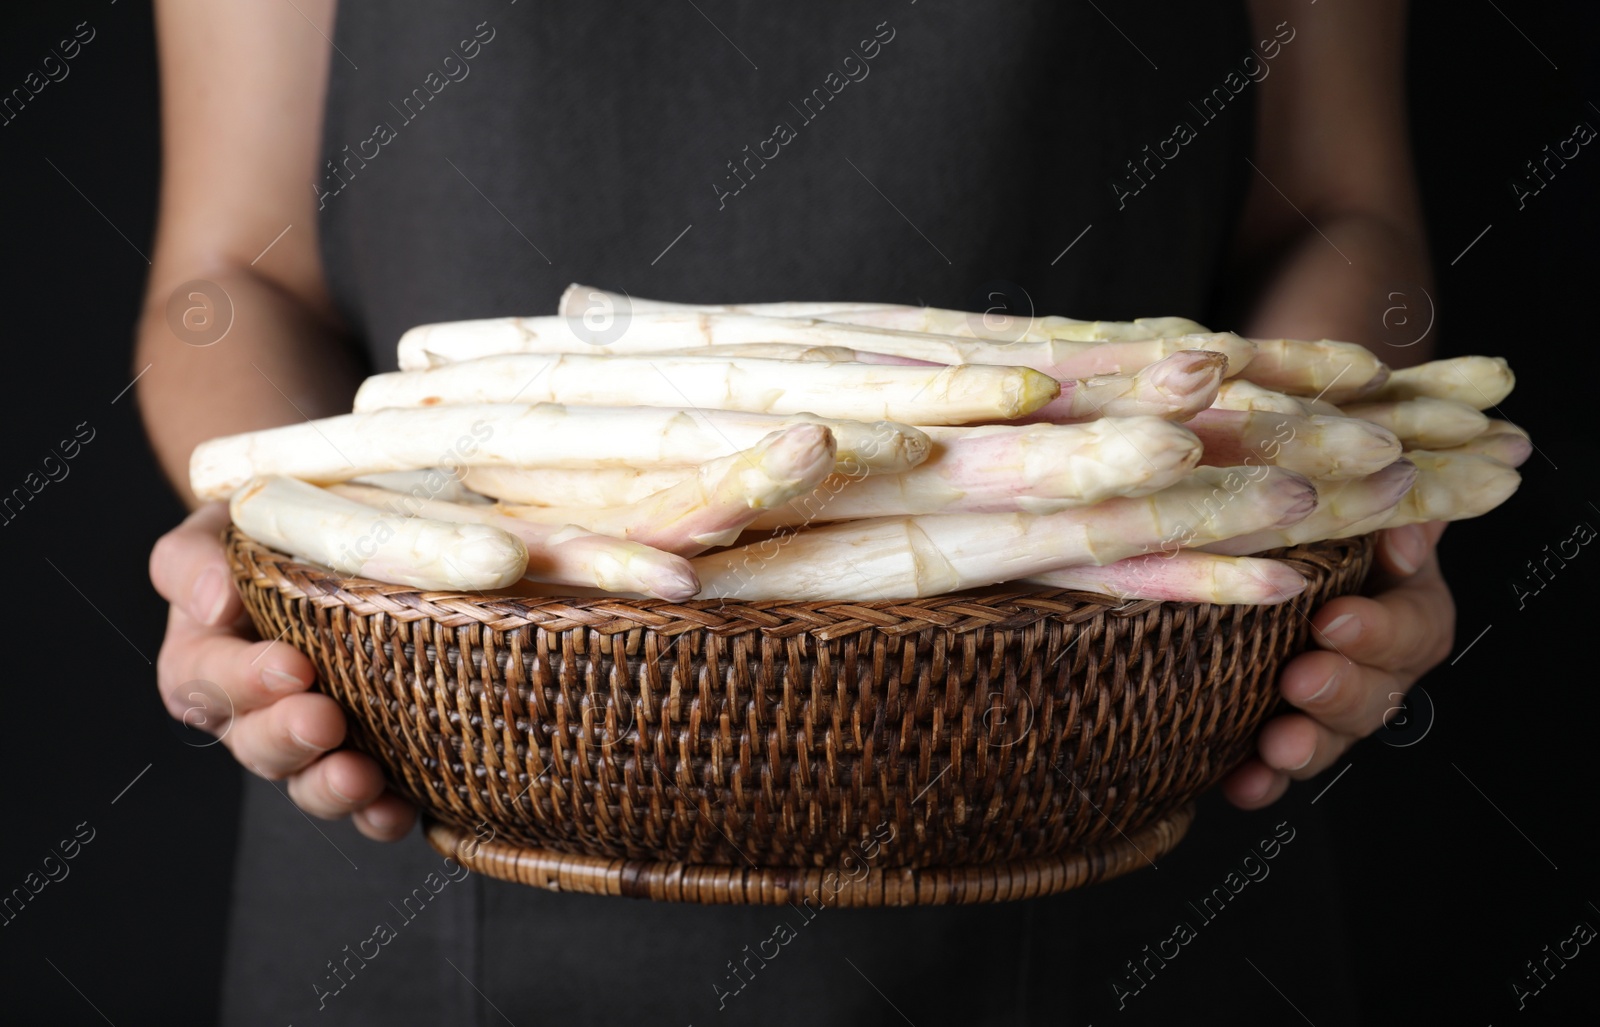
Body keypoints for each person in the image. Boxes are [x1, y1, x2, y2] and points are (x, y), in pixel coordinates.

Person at [139, 1, 1454, 1022]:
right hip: (408, 785)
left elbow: (1340, 207)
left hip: (1138, 753)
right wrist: (291, 528)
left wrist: (1321, 488)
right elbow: (227, 267)